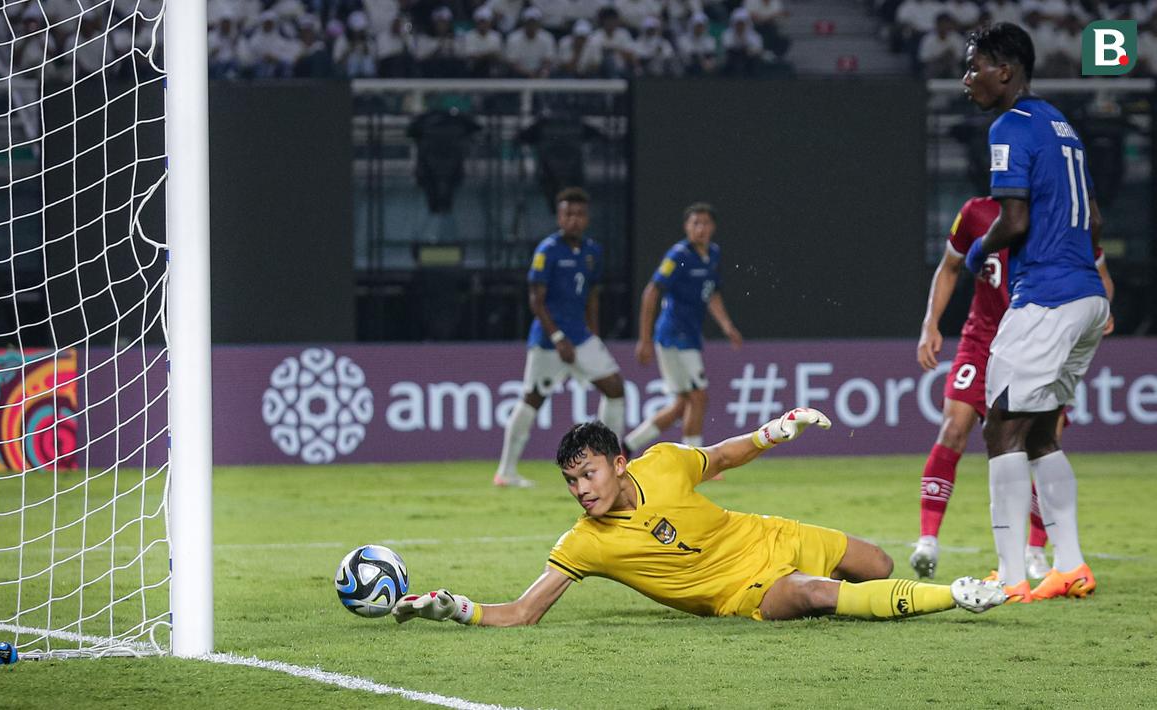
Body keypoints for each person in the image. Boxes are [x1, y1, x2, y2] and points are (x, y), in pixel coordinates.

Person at [396, 414, 1008, 626]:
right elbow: (524, 612)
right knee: (821, 594)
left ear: (619, 463)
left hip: (767, 533)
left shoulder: (662, 463)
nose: (581, 491)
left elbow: (722, 456)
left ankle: (911, 592)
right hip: (744, 591)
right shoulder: (584, 544)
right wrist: (458, 607)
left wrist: (774, 432)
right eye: (571, 483)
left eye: (589, 476)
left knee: (877, 563)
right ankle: (955, 595)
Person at [962, 22, 1110, 602]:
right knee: (1043, 430)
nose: (966, 78)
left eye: (974, 65)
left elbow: (1015, 220)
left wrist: (978, 248)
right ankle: (1070, 566)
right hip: (1087, 296)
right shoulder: (1062, 125)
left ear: (1006, 70)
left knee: (1001, 425)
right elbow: (1093, 218)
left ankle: (1010, 575)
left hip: (1046, 297)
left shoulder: (1010, 125)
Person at [911, 195, 1114, 581]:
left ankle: (1035, 550)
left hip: (1038, 340)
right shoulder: (975, 212)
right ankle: (927, 541)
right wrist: (930, 324)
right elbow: (950, 266)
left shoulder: (1059, 215)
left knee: (1042, 439)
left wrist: (1099, 306)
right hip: (982, 341)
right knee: (954, 427)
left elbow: (1099, 274)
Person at [493, 188, 627, 488]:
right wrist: (557, 337)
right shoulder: (547, 250)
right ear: (559, 216)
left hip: (582, 337)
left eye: (579, 214)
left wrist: (593, 333)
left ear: (587, 218)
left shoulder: (593, 252)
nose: (574, 220)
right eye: (568, 214)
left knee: (615, 388)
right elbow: (535, 300)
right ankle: (506, 471)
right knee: (533, 398)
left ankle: (610, 464)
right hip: (548, 341)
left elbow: (592, 294)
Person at [624, 203, 742, 466]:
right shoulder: (678, 255)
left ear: (713, 227)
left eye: (705, 223)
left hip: (689, 336)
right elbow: (651, 292)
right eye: (695, 223)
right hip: (674, 337)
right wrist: (644, 339)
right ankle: (695, 462)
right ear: (686, 227)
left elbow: (711, 293)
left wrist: (726, 326)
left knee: (681, 404)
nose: (700, 228)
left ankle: (627, 444)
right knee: (699, 397)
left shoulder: (713, 254)